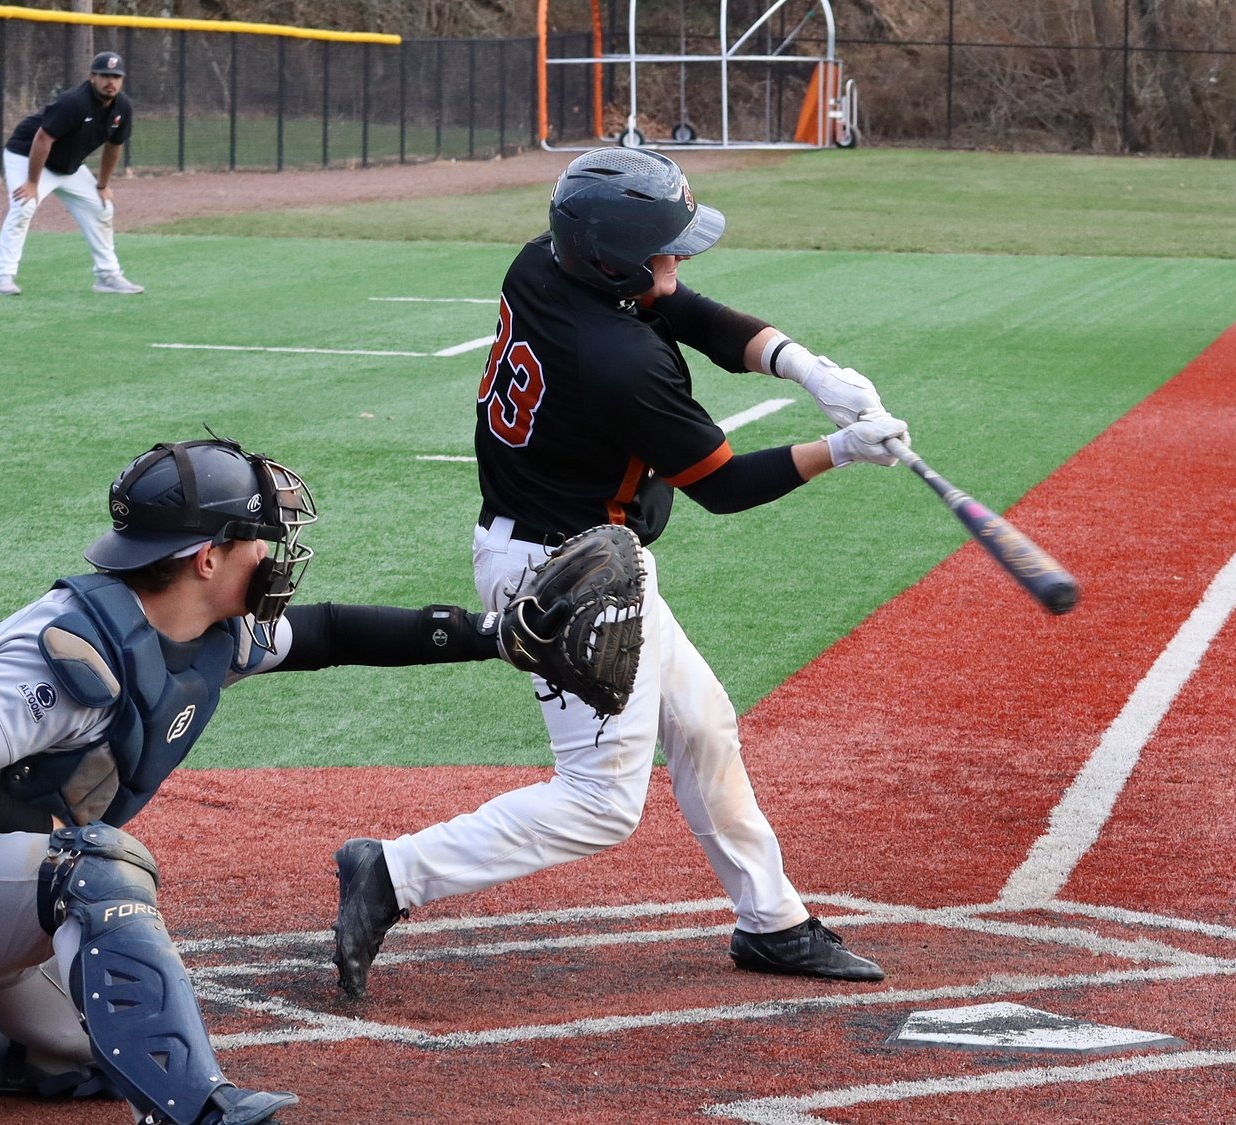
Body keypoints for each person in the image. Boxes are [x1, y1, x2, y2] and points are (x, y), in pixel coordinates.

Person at [0, 435, 534, 1124]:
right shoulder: (68, 649)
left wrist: (491, 635)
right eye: (257, 540)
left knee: (108, 1031)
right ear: (208, 556)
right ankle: (194, 1112)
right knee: (98, 865)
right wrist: (57, 844)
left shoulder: (206, 629)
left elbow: (331, 631)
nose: (273, 556)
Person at [332, 148, 911, 999]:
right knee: (601, 802)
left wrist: (802, 365)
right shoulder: (617, 362)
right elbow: (721, 486)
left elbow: (686, 307)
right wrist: (842, 449)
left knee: (703, 726)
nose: (677, 266)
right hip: (568, 583)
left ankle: (773, 920)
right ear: (614, 260)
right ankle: (391, 872)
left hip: (581, 555)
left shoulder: (545, 260)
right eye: (664, 251)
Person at [0, 50, 143, 296]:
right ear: (92, 77)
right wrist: (32, 182)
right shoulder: (74, 101)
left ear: (122, 80)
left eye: (116, 77)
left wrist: (102, 185)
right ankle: (3, 277)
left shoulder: (122, 107)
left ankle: (107, 276)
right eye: (105, 75)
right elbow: (42, 139)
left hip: (67, 166)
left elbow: (114, 148)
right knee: (24, 205)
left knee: (101, 207)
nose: (110, 82)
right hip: (26, 155)